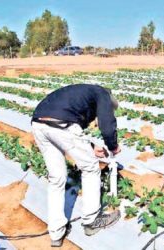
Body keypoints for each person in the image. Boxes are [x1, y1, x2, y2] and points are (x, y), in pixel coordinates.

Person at [31, 84, 121, 247]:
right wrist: (113, 146)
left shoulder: (82, 93)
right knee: (91, 168)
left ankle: (56, 232)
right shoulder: (102, 94)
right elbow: (106, 125)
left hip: (38, 123)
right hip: (62, 125)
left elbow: (75, 130)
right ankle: (91, 220)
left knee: (56, 178)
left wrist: (92, 147)